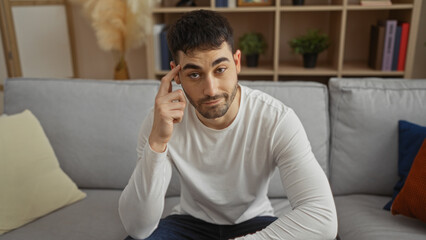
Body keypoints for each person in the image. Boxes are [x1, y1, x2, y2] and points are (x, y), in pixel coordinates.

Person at [119, 10, 337, 240]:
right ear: (176, 75)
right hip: (188, 224)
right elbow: (138, 228)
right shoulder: (160, 122)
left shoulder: (276, 119)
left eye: (220, 69)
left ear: (237, 62)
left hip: (255, 223)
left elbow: (322, 218)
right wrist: (157, 143)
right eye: (194, 74)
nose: (211, 89)